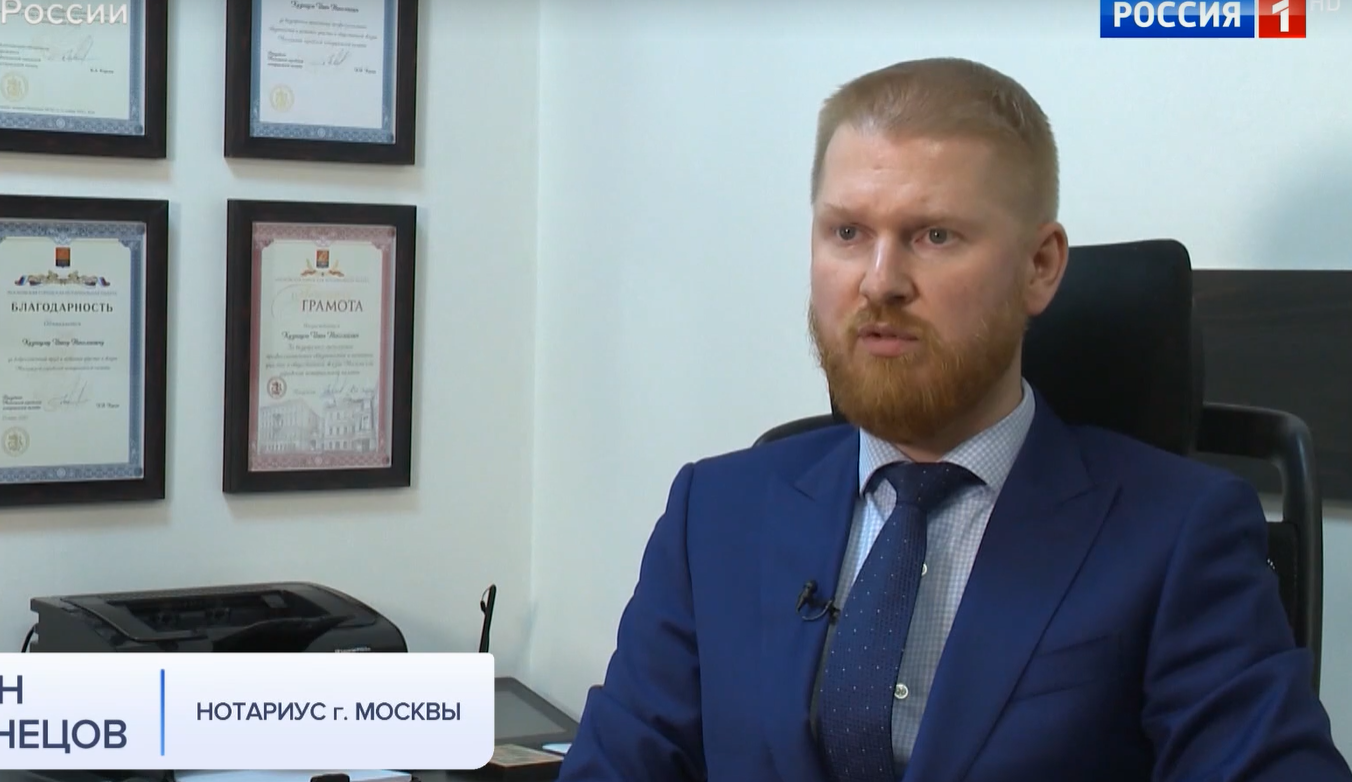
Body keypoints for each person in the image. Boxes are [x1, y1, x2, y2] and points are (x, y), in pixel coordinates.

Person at [555, 57, 1351, 782]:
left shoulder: (1178, 533)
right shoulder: (716, 514)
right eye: (847, 232)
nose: (879, 282)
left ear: (1040, 266)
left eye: (933, 236)